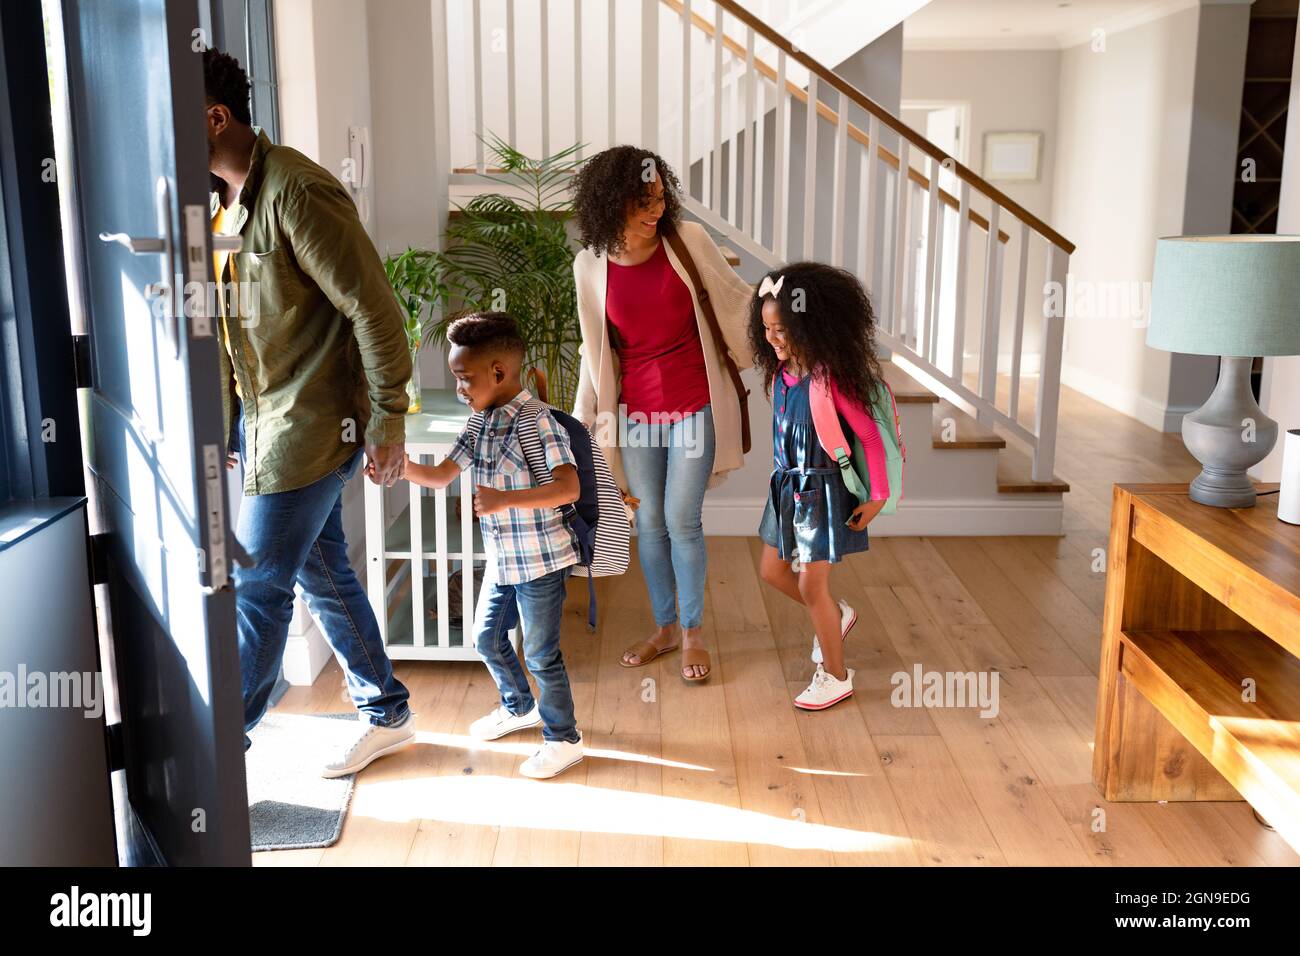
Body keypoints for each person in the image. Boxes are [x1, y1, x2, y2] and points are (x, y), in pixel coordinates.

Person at [204, 49, 414, 775]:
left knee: (259, 587)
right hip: (269, 428)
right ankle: (387, 711)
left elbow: (375, 309)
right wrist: (232, 419)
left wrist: (389, 421)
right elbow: (242, 329)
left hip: (313, 428)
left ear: (215, 117)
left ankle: (218, 754)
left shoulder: (298, 191)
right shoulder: (227, 206)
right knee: (324, 574)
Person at [570, 146, 753, 682]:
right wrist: (587, 419)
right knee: (646, 521)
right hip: (634, 414)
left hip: (695, 402)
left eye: (659, 199)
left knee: (680, 518)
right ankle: (666, 627)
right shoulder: (590, 266)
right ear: (610, 205)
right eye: (642, 203)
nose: (656, 210)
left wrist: (792, 332)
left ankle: (694, 632)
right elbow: (593, 349)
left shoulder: (687, 243)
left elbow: (734, 299)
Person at [404, 313, 585, 779]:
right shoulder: (480, 423)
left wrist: (506, 499)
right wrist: (396, 466)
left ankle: (564, 739)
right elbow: (442, 474)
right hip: (505, 561)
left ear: (499, 372)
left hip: (543, 561)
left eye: (464, 380)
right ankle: (519, 706)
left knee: (542, 654)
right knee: (485, 638)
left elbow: (568, 488)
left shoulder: (537, 422)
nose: (460, 389)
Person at [749, 262, 891, 710]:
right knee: (772, 571)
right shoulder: (780, 375)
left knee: (813, 587)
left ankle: (835, 675)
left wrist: (878, 498)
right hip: (786, 490)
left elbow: (869, 436)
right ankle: (838, 614)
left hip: (824, 493)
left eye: (784, 329)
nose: (774, 338)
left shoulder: (831, 380)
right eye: (767, 327)